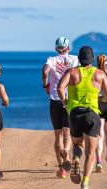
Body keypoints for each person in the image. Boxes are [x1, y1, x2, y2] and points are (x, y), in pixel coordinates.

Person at [57, 46, 107, 189]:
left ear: (79, 59)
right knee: (91, 153)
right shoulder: (99, 74)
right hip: (92, 115)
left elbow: (60, 88)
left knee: (77, 144)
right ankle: (85, 184)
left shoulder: (72, 72)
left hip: (75, 114)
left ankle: (75, 158)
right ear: (92, 59)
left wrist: (65, 103)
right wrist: (102, 99)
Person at [41, 36, 79, 178]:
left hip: (55, 99)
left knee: (57, 134)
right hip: (69, 99)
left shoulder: (51, 60)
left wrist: (45, 83)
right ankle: (67, 152)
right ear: (68, 47)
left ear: (56, 48)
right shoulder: (75, 60)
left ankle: (61, 168)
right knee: (67, 132)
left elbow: (45, 71)